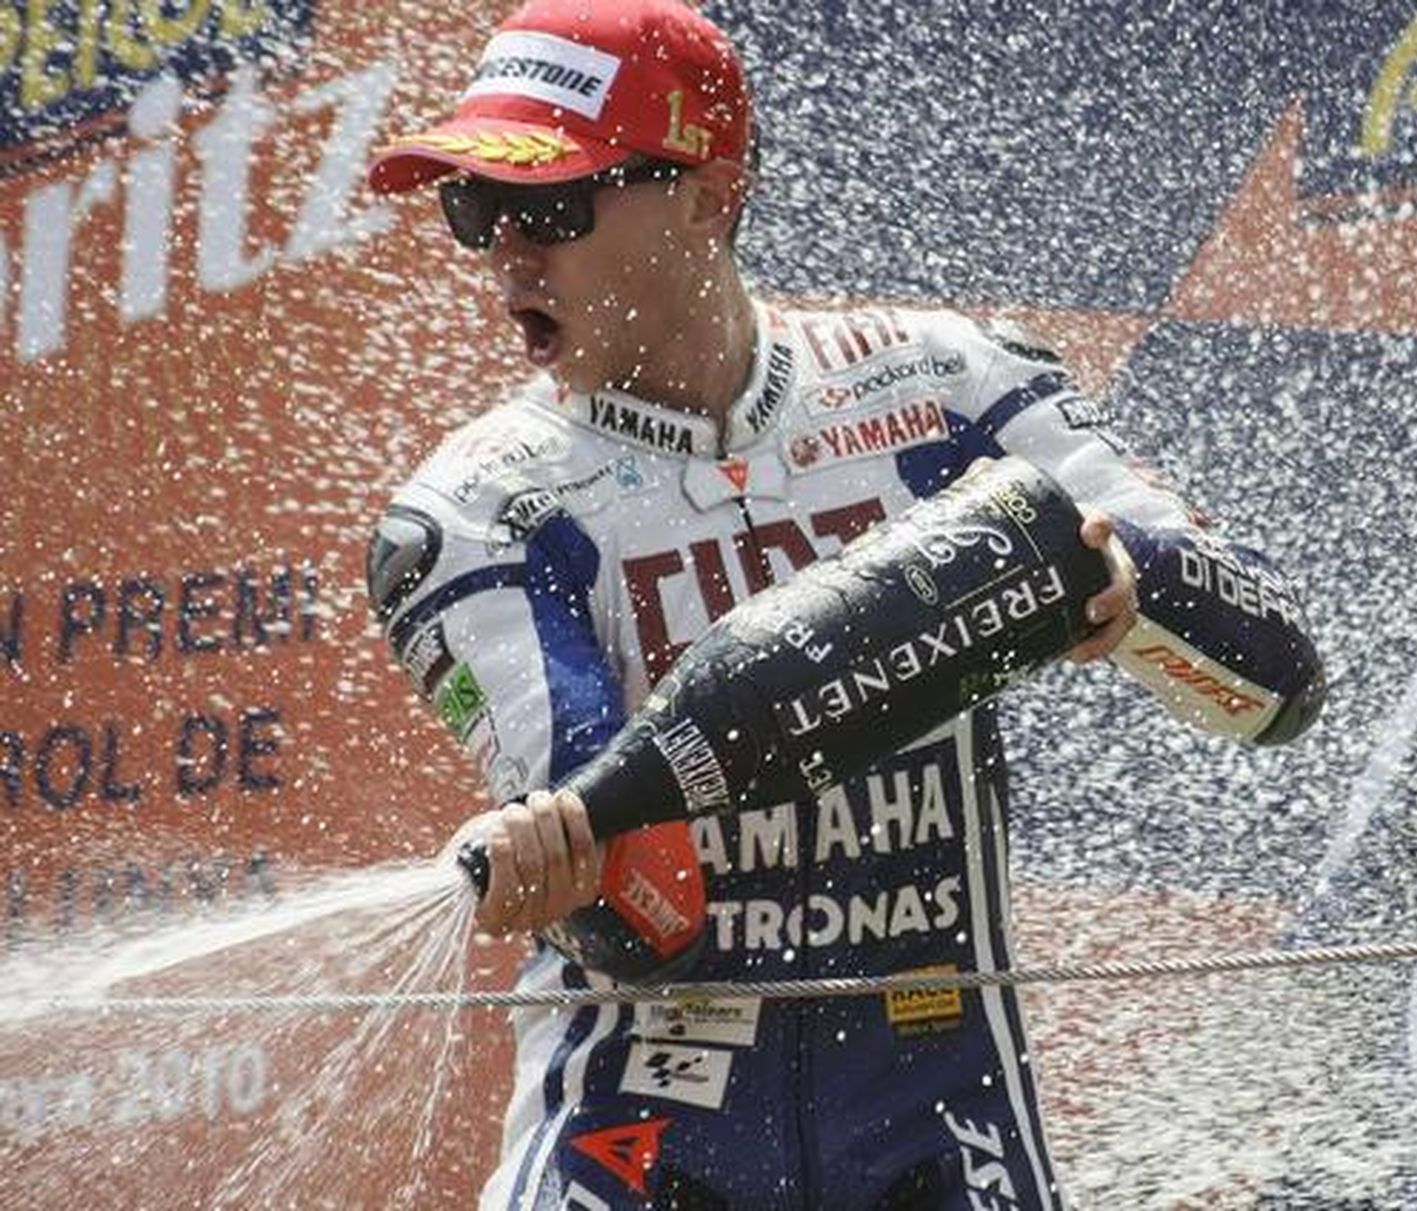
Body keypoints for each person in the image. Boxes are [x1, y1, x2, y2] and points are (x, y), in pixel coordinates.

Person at [364, 2, 1325, 1207]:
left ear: (709, 196)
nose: (507, 253)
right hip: (643, 1126)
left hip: (942, 1101)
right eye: (473, 209)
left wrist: (1129, 601)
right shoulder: (468, 513)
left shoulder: (947, 387)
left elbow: (1280, 683)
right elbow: (639, 912)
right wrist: (566, 866)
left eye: (550, 206)